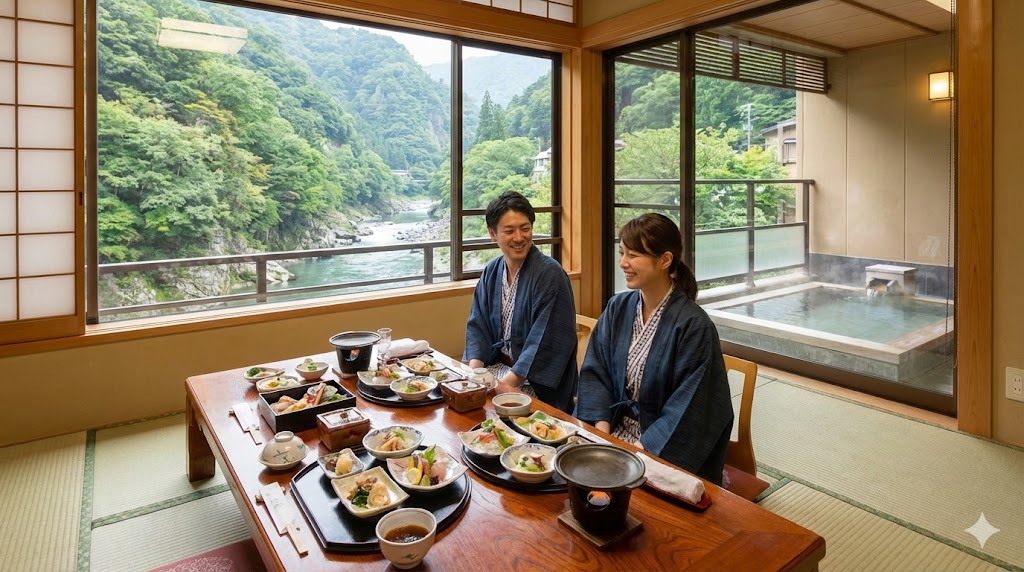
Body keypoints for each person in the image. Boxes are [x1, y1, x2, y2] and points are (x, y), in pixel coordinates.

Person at [574, 213, 733, 485]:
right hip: (611, 431)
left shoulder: (694, 326)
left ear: (665, 260)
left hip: (655, 450)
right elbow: (596, 371)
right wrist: (602, 433)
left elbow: (688, 409)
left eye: (633, 255)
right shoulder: (618, 307)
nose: (623, 263)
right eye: (622, 252)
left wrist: (637, 454)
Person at [463, 191, 578, 413]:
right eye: (509, 231)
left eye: (525, 228)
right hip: (497, 371)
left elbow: (544, 343)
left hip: (533, 384)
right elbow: (478, 326)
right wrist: (474, 375)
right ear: (492, 234)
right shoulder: (492, 271)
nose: (519, 237)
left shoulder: (550, 274)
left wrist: (505, 386)